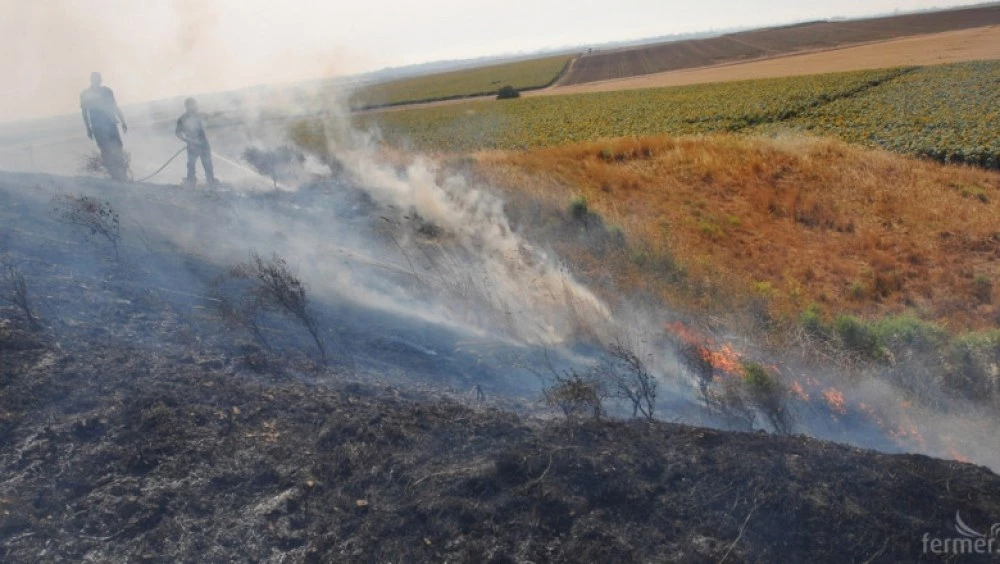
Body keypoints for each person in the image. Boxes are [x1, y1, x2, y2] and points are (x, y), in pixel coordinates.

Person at [80, 72, 128, 181]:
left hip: (111, 124)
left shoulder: (107, 91)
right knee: (105, 150)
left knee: (118, 148)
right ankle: (115, 176)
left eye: (99, 79)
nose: (98, 81)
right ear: (92, 80)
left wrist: (123, 121)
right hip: (98, 127)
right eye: (96, 79)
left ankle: (122, 175)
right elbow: (84, 113)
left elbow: (114, 106)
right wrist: (88, 128)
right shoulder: (85, 94)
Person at [175, 97, 218, 186]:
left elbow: (209, 115)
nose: (195, 106)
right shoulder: (182, 119)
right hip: (192, 145)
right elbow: (178, 133)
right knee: (191, 164)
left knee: (207, 162)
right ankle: (191, 181)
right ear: (187, 106)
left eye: (195, 104)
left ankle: (210, 180)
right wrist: (187, 140)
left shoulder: (199, 115)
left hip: (203, 143)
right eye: (192, 105)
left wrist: (217, 114)